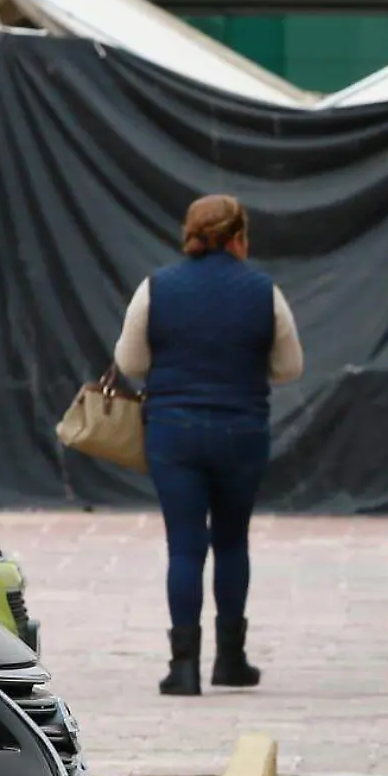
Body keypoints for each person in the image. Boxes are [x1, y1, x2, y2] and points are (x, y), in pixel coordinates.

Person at [114, 194, 304, 697]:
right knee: (232, 542)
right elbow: (289, 367)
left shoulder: (157, 287)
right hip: (242, 434)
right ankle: (231, 661)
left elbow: (129, 362)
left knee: (185, 546)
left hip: (173, 434)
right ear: (240, 236)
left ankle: (183, 667)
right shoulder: (264, 291)